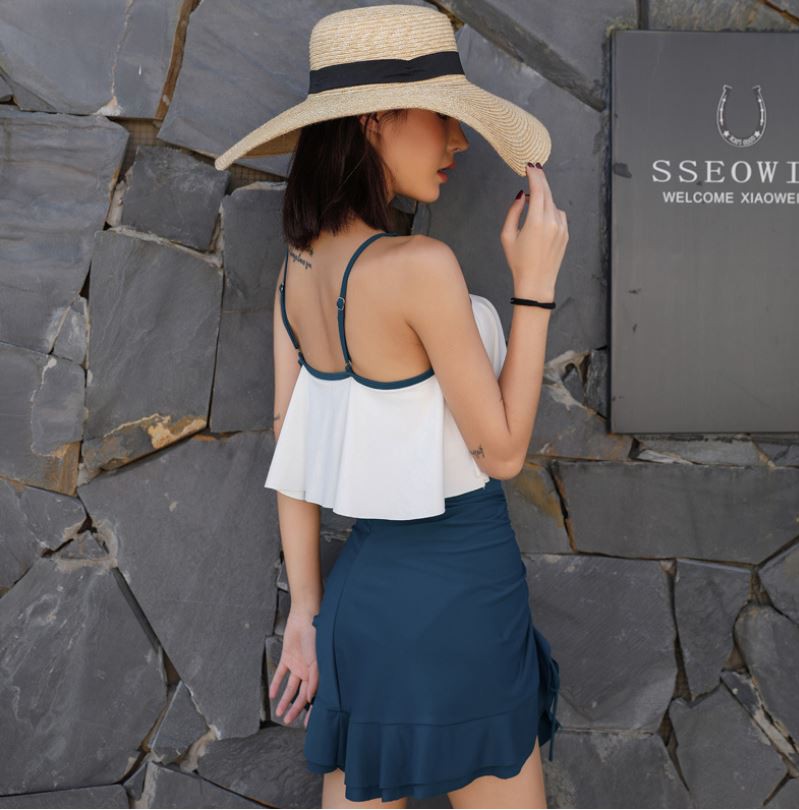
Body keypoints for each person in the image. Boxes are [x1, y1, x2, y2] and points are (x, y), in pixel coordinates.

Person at [215, 5, 569, 808]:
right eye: (444, 117)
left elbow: (291, 449)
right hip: (463, 596)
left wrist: (307, 612)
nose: (459, 142)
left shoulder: (297, 272)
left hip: (362, 606)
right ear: (374, 119)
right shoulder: (419, 265)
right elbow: (503, 454)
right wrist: (535, 287)